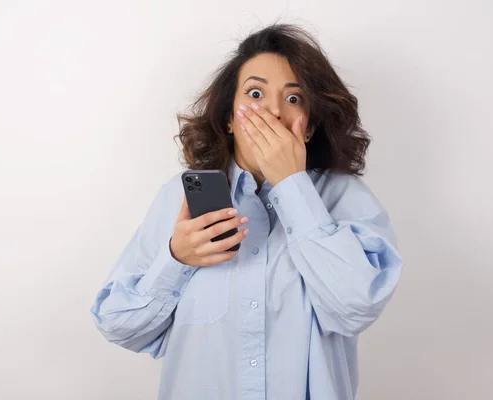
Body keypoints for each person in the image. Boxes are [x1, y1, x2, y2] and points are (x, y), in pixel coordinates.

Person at [90, 23, 403, 400]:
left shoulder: (344, 197)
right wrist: (177, 260)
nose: (272, 110)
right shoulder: (181, 200)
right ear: (227, 118)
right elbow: (119, 325)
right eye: (255, 93)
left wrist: (291, 186)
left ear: (310, 125)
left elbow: (357, 306)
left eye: (293, 98)